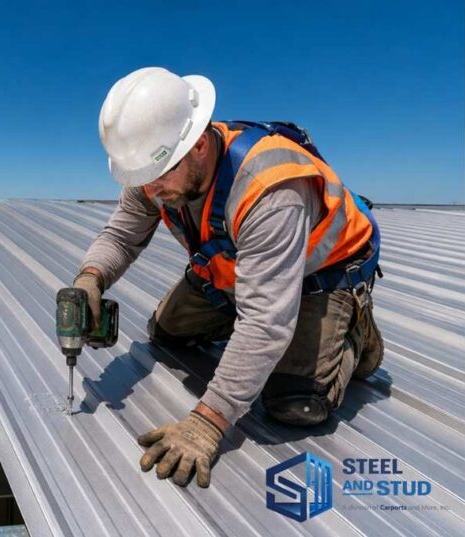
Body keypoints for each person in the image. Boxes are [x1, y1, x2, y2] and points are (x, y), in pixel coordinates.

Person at [73, 67, 384, 488]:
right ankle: (244, 318)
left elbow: (264, 322)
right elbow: (122, 233)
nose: (151, 192)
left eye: (159, 178)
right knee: (167, 334)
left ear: (198, 144)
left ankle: (357, 330)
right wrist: (91, 277)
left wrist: (209, 421)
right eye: (140, 180)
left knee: (295, 403)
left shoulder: (270, 190)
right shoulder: (154, 168)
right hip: (242, 271)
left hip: (321, 278)